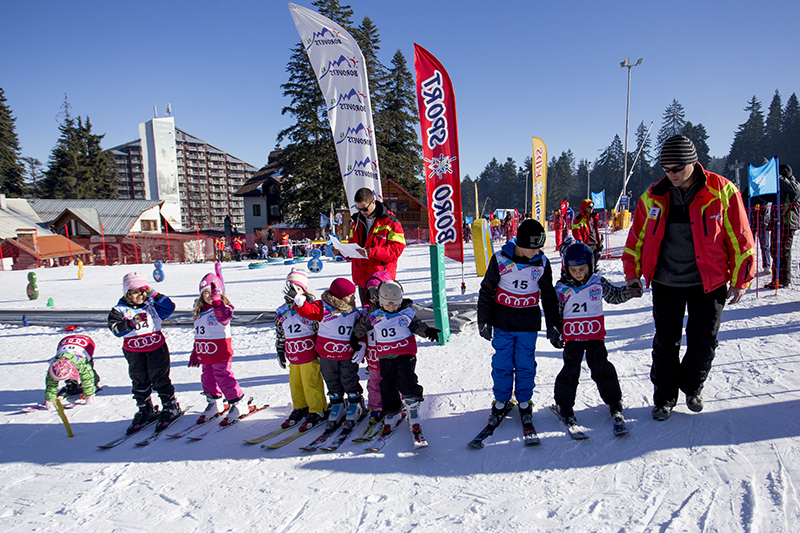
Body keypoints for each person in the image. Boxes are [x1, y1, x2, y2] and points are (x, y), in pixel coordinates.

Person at [622, 135, 755, 421]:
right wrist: (632, 275)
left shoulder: (722, 191)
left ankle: (693, 387)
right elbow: (636, 240)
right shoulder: (653, 196)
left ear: (692, 163)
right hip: (666, 282)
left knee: (703, 341)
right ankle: (664, 397)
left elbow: (740, 237)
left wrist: (742, 278)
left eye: (676, 169)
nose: (671, 175)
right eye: (666, 169)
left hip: (709, 282)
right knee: (666, 342)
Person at [477, 219, 560, 428]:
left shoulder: (541, 263)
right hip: (503, 322)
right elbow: (486, 291)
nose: (537, 251)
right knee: (502, 364)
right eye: (532, 247)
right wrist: (484, 320)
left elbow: (548, 296)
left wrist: (553, 325)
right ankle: (502, 399)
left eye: (539, 247)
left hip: (527, 324)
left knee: (525, 365)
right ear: (520, 243)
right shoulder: (501, 260)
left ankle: (524, 400)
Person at [550, 242, 643, 426]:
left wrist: (628, 292)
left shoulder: (597, 282)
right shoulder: (561, 289)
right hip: (573, 339)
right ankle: (564, 405)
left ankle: (613, 401)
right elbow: (556, 314)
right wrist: (555, 332)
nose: (577, 274)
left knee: (602, 369)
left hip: (594, 337)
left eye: (582, 269)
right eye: (573, 270)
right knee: (570, 371)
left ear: (590, 267)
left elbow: (614, 295)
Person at [350, 280, 439, 438]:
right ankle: (392, 411)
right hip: (385, 355)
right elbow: (363, 326)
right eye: (388, 305)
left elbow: (417, 325)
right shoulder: (375, 313)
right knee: (387, 384)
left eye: (395, 305)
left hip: (405, 353)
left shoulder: (406, 312)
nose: (392, 308)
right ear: (381, 301)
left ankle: (412, 406)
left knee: (406, 379)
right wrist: (355, 337)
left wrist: (428, 332)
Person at [108, 272, 180, 433]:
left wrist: (154, 293)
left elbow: (170, 307)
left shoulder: (152, 305)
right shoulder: (119, 310)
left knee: (160, 379)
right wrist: (130, 323)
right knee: (139, 380)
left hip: (156, 348)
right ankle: (145, 408)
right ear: (127, 293)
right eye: (135, 292)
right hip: (134, 351)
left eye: (143, 292)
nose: (140, 295)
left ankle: (170, 405)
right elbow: (115, 329)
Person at [291, 277, 364, 428]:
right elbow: (309, 312)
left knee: (349, 378)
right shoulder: (323, 306)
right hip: (327, 354)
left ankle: (354, 402)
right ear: (339, 295)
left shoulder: (354, 310)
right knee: (331, 379)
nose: (352, 298)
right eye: (349, 295)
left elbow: (360, 329)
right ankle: (337, 404)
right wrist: (300, 303)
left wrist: (362, 345)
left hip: (347, 354)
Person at [188, 273, 249, 425]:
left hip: (220, 351)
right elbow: (199, 334)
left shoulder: (223, 309)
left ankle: (238, 403)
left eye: (212, 292)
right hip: (205, 353)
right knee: (207, 378)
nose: (209, 296)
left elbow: (223, 317)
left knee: (223, 376)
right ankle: (215, 402)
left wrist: (217, 301)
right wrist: (195, 353)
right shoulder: (199, 312)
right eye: (206, 293)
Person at [275, 269, 328, 431]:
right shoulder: (282, 310)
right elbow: (280, 332)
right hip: (293, 353)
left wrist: (321, 349)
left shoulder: (309, 307)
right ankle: (300, 406)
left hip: (309, 353)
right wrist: (280, 350)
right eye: (289, 287)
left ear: (304, 289)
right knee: (295, 383)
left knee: (311, 382)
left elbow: (320, 328)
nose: (292, 291)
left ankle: (318, 408)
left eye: (297, 288)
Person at [336, 187, 406, 305]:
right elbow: (353, 249)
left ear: (373, 202)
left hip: (380, 280)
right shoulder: (356, 222)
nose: (362, 211)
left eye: (364, 208)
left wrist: (371, 252)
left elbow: (396, 250)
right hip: (362, 279)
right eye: (358, 209)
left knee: (383, 316)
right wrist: (342, 251)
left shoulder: (391, 222)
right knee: (367, 316)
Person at [349, 270, 396, 431]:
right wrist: (361, 346)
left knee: (392, 381)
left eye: (378, 293)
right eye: (371, 293)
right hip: (374, 357)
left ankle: (394, 405)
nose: (375, 298)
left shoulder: (393, 312)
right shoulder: (365, 313)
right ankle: (376, 407)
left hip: (390, 355)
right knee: (375, 383)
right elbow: (360, 332)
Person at [766, 164, 800, 288]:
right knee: (774, 250)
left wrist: (777, 176)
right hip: (776, 222)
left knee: (784, 251)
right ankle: (776, 278)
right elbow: (768, 197)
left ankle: (784, 280)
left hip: (787, 222)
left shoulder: (794, 184)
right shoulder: (778, 187)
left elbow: (793, 190)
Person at [44, 334, 99, 410]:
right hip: (65, 342)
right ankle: (72, 384)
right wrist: (49, 399)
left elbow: (88, 377)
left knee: (88, 371)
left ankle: (94, 385)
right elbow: (51, 382)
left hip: (86, 343)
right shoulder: (54, 366)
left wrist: (89, 396)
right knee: (61, 373)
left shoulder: (81, 363)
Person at [572, 199, 603, 269]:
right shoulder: (579, 219)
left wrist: (600, 242)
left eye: (592, 207)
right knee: (587, 264)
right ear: (584, 207)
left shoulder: (594, 217)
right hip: (586, 244)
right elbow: (575, 231)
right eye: (589, 207)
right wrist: (580, 240)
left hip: (595, 244)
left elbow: (595, 231)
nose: (591, 208)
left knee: (594, 264)